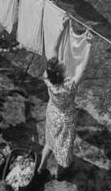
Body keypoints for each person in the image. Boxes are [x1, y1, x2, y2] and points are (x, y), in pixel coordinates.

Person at [37, 29, 92, 180]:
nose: (63, 62)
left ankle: (41, 167)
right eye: (62, 65)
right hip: (65, 121)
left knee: (50, 141)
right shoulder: (69, 87)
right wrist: (88, 45)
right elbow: (83, 68)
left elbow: (52, 52)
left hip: (52, 113)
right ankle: (60, 173)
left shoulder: (47, 78)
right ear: (61, 74)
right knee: (64, 148)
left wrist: (61, 30)